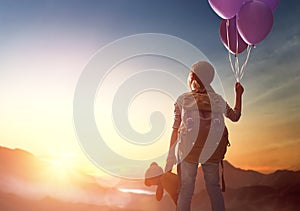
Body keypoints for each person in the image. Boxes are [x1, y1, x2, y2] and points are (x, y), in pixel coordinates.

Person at [165, 61, 244, 211]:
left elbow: (175, 130)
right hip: (213, 151)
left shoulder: (183, 99)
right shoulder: (218, 100)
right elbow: (235, 116)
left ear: (192, 77)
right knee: (214, 188)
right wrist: (238, 94)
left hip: (188, 152)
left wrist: (170, 160)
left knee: (186, 191)